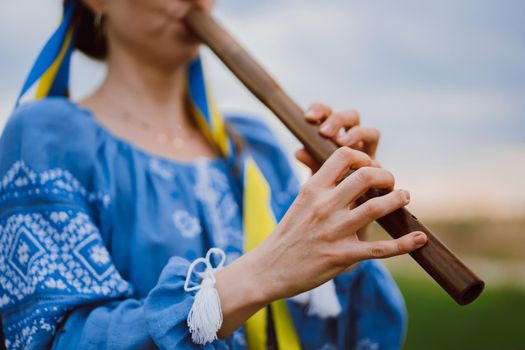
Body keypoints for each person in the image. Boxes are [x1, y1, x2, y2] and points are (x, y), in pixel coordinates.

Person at [0, 0, 427, 349]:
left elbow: (328, 338)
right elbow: (52, 338)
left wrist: (345, 232)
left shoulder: (253, 147)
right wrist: (253, 278)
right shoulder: (47, 137)